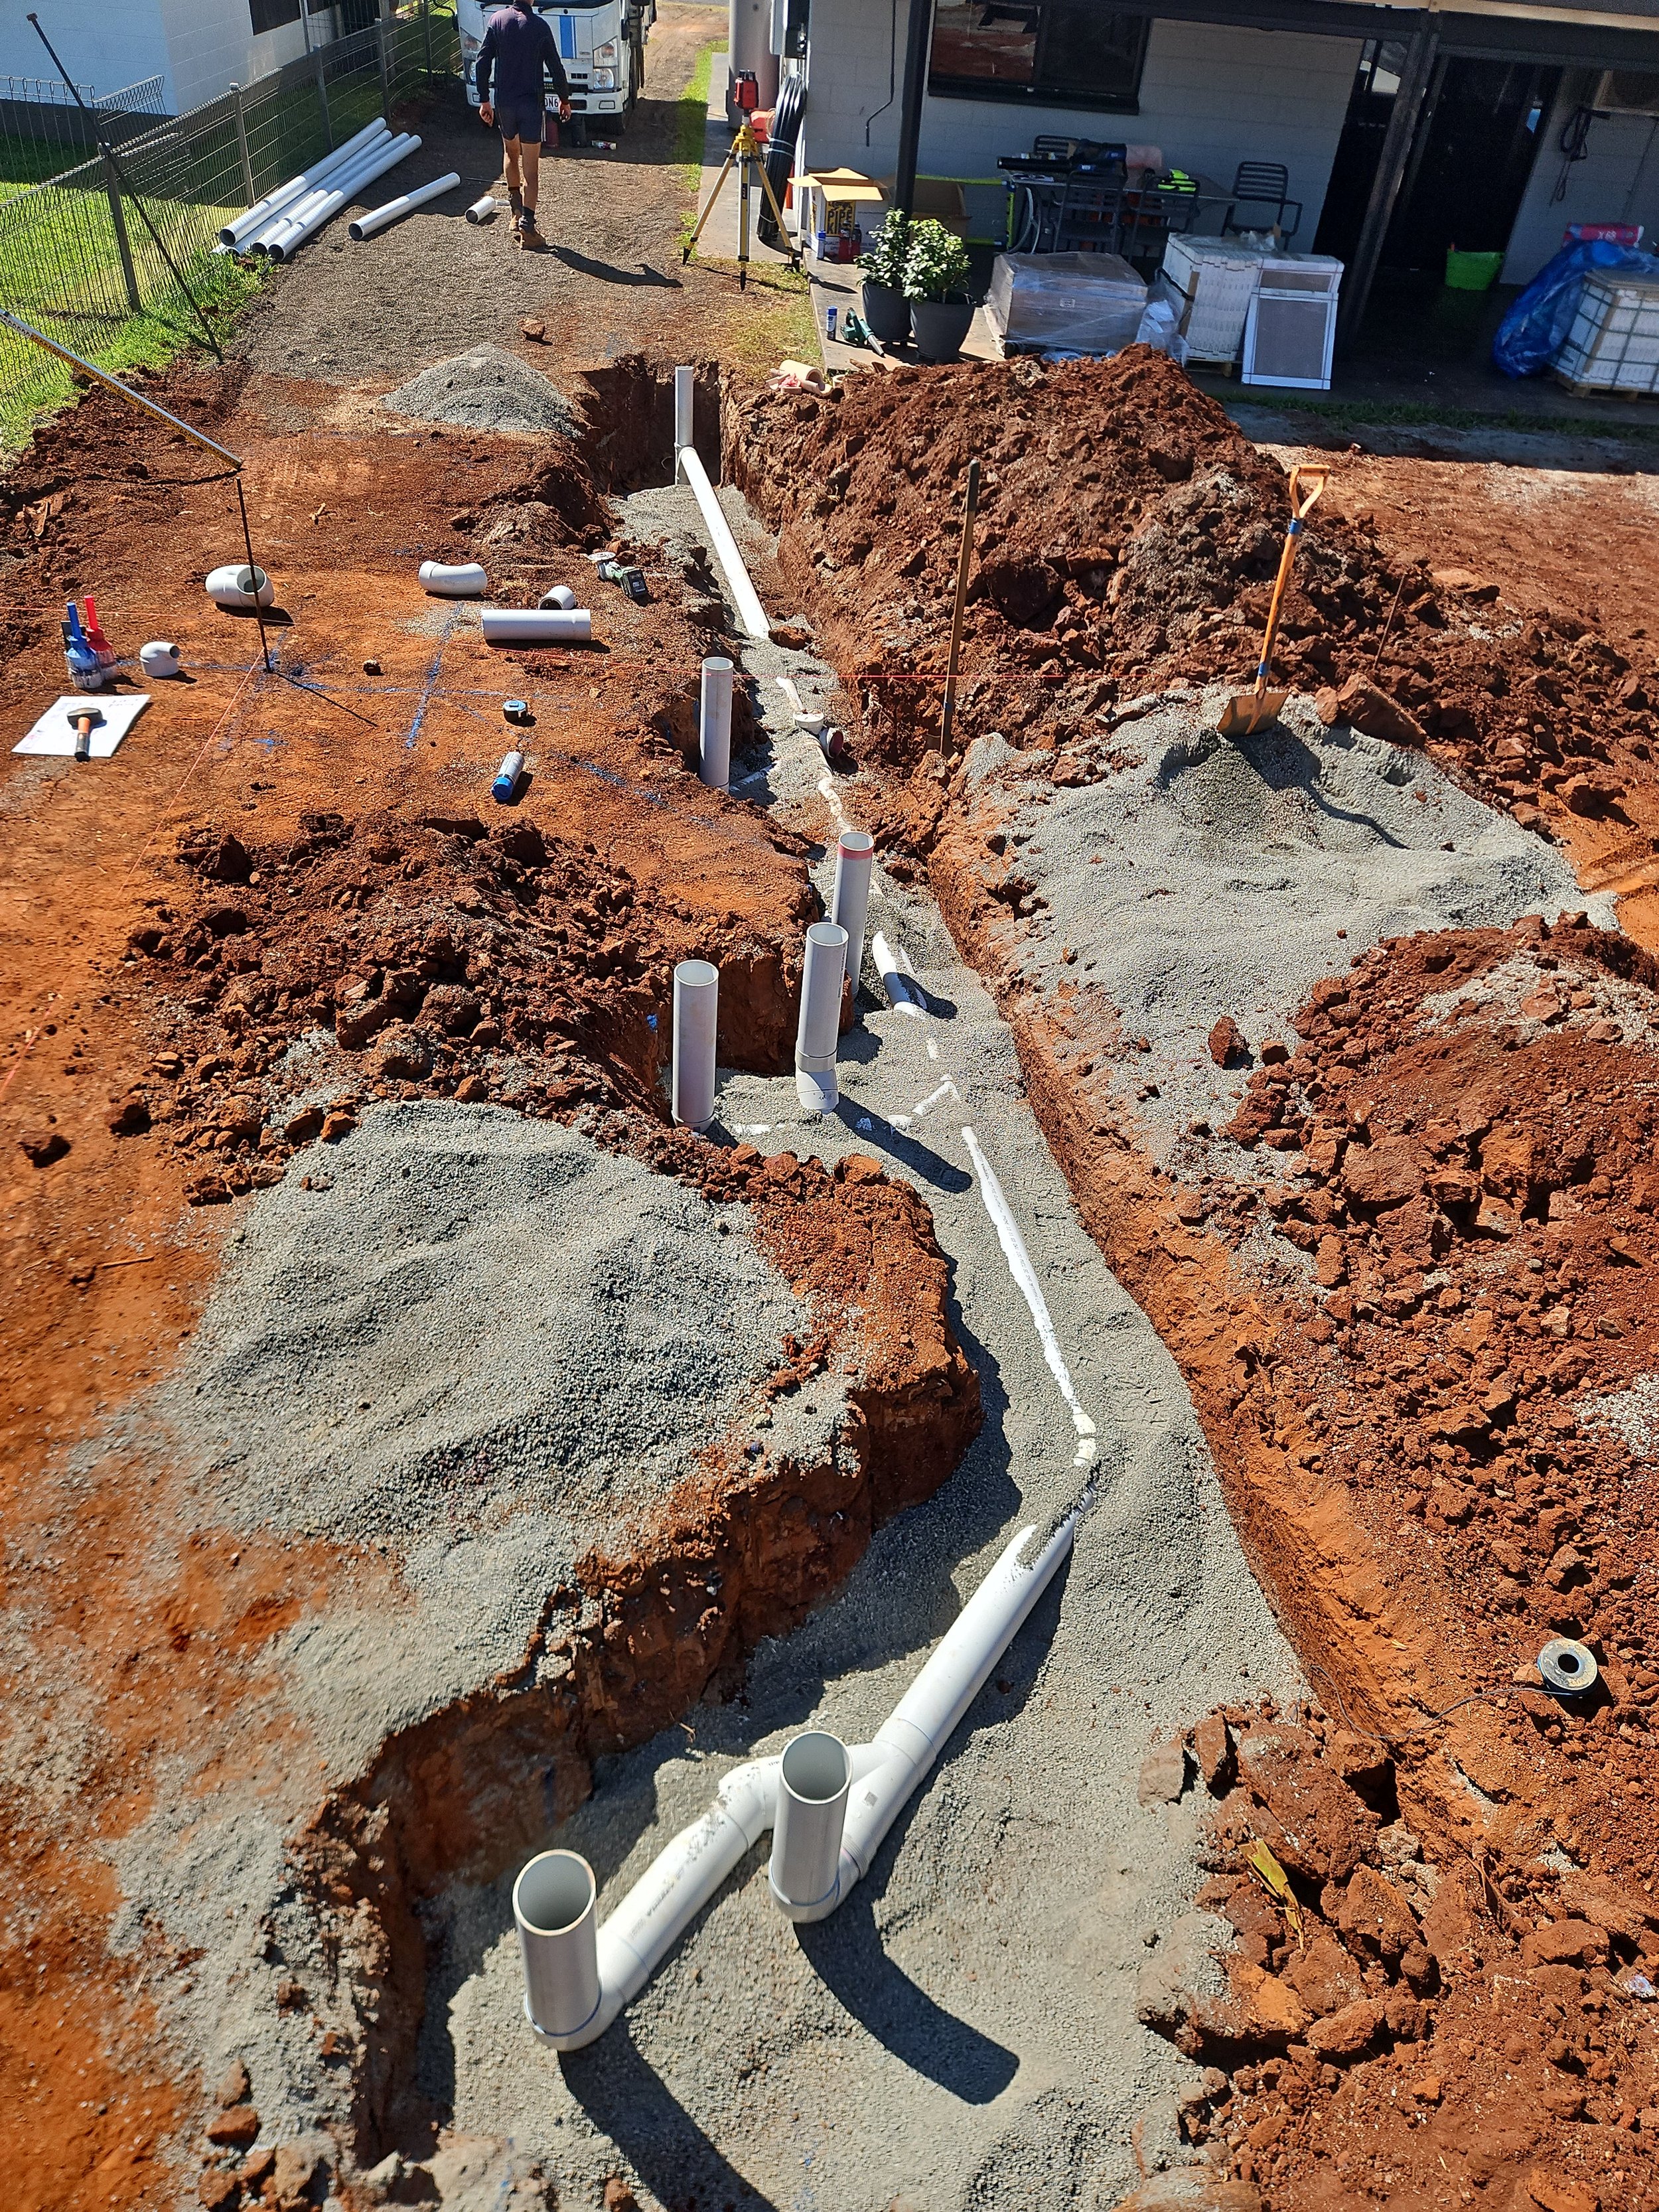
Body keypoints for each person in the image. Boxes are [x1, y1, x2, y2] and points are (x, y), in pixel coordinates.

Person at [474, 0, 572, 249]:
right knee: (532, 169)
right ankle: (528, 229)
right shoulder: (540, 26)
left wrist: (484, 100)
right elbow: (555, 66)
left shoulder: (497, 21)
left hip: (505, 103)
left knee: (510, 151)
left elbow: (483, 61)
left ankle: (515, 212)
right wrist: (564, 98)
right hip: (531, 105)